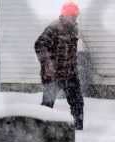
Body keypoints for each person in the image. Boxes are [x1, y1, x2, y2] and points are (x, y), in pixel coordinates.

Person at [34, 2, 84, 130]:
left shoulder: (74, 29)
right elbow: (39, 45)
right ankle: (41, 128)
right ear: (65, 15)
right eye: (72, 16)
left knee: (77, 102)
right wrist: (48, 63)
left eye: (75, 16)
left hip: (70, 74)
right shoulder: (53, 28)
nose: (74, 18)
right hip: (53, 76)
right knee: (47, 105)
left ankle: (77, 129)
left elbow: (71, 52)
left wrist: (73, 68)